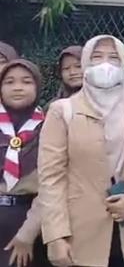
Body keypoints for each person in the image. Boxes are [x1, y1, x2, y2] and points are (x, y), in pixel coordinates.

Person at [38, 35, 124, 267]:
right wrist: (56, 235)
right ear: (86, 63)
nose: (105, 64)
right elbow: (51, 177)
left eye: (113, 57)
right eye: (97, 57)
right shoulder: (63, 111)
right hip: (80, 232)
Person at [0, 59, 50, 267]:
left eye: (26, 81)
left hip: (33, 221)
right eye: (9, 82)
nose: (18, 87)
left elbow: (53, 185)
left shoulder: (50, 127)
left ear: (37, 86)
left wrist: (28, 233)